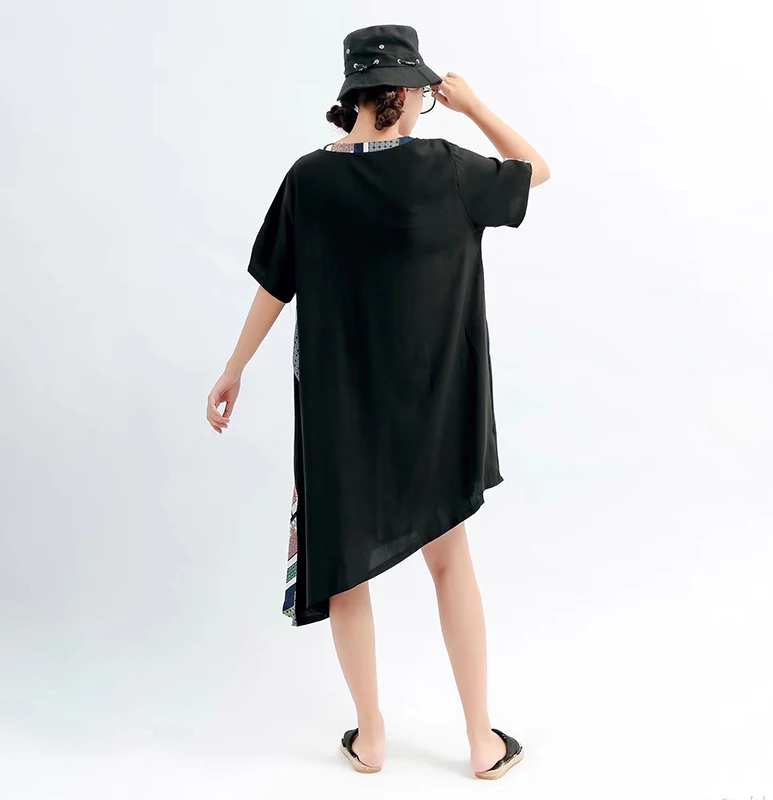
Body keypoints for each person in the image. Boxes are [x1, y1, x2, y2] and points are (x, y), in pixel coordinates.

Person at [206, 24, 550, 780]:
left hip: (341, 415)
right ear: (399, 91)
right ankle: (481, 742)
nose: (427, 103)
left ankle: (371, 738)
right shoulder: (447, 167)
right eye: (422, 93)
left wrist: (235, 368)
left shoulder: (308, 179)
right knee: (450, 562)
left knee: (346, 570)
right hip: (432, 411)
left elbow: (275, 283)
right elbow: (536, 171)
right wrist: (473, 106)